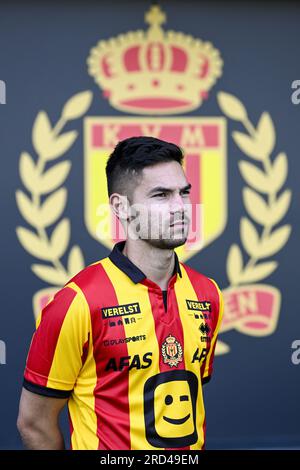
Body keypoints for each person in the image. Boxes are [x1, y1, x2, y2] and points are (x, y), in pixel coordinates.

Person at [17, 136, 224, 450]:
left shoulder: (207, 293)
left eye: (183, 193)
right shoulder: (77, 301)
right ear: (120, 207)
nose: (180, 207)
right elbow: (34, 424)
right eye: (161, 195)